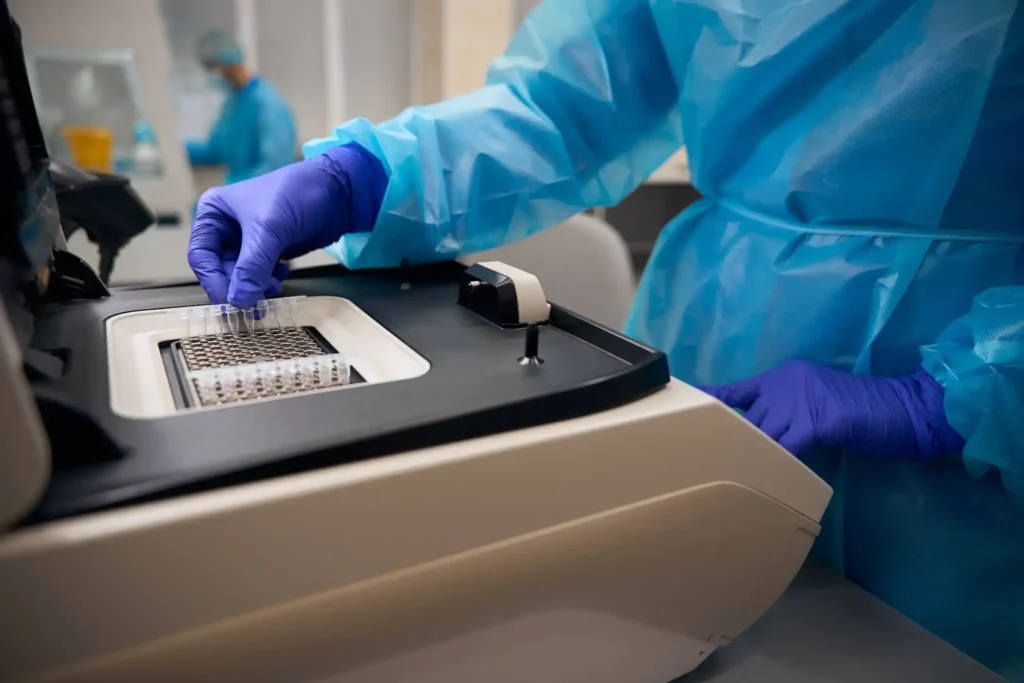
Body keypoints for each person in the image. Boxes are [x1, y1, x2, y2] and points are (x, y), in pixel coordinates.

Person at [187, 0, 1024, 678]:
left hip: (972, 470)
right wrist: (359, 177)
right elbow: (558, 108)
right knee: (691, 621)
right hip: (723, 326)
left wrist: (959, 395)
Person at [184, 30, 297, 185]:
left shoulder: (268, 106)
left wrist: (231, 188)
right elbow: (216, 150)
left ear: (233, 65)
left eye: (217, 69)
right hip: (236, 196)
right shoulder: (232, 104)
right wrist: (171, 146)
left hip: (259, 201)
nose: (214, 76)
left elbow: (274, 169)